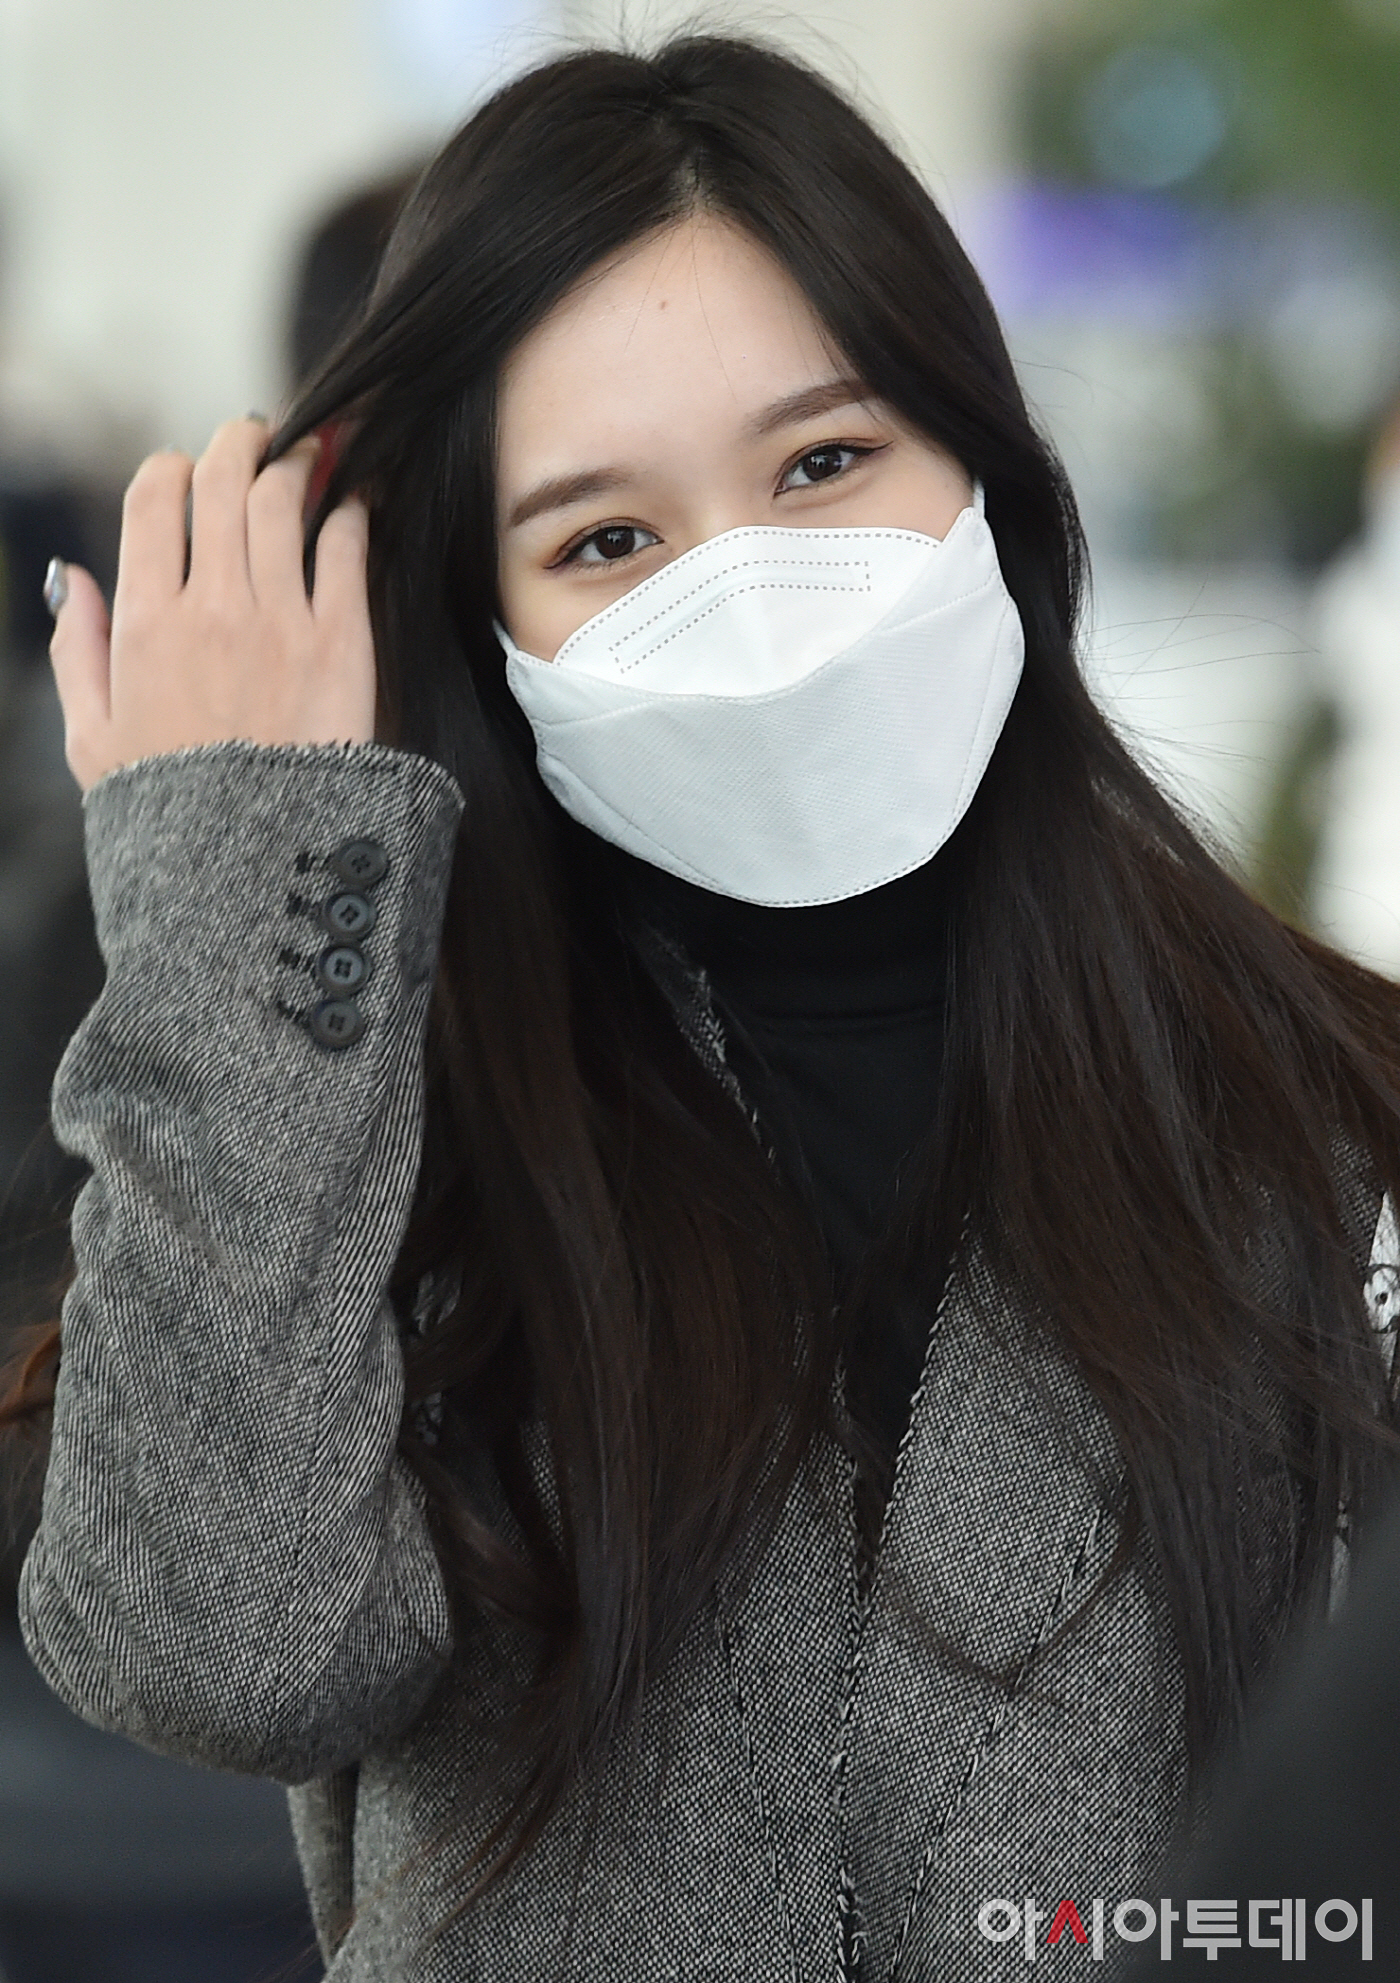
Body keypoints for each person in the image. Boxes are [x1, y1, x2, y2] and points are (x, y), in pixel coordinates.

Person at [5, 35, 1400, 1981]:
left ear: (986, 472)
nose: (746, 595)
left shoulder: (1328, 1116)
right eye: (606, 541)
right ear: (484, 629)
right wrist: (246, 872)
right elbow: (213, 1655)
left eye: (823, 463)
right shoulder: (380, 1128)